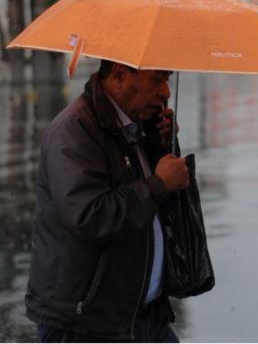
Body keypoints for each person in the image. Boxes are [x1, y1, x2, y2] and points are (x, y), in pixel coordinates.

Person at [26, 60, 191, 342]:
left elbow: (158, 211)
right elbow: (91, 217)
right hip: (87, 324)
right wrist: (158, 184)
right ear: (119, 75)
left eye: (167, 80)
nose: (166, 92)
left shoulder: (134, 126)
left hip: (144, 316)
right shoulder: (74, 131)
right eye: (157, 80)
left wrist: (160, 146)